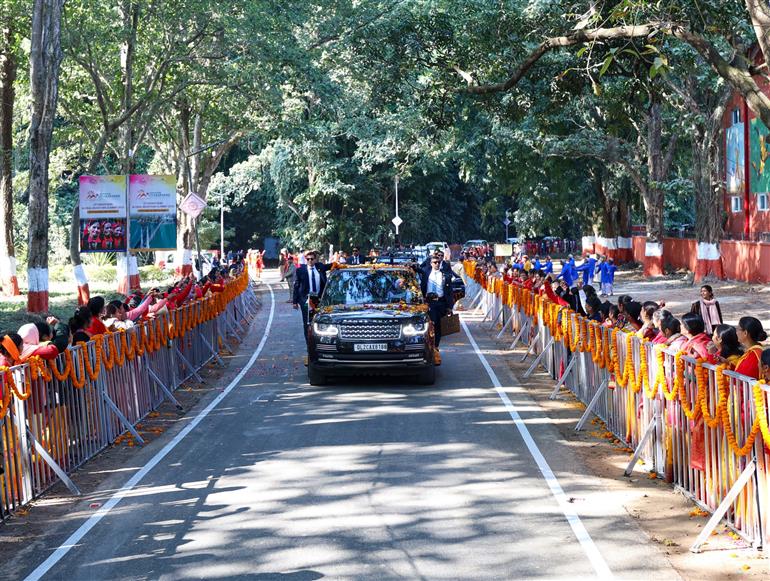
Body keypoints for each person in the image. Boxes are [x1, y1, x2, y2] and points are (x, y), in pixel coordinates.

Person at [421, 254, 452, 366]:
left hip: (441, 302)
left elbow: (449, 291)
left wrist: (449, 307)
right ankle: (430, 346)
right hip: (429, 303)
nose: (437, 264)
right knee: (431, 324)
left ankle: (436, 347)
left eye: (438, 262)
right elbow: (418, 269)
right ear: (430, 263)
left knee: (438, 326)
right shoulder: (426, 273)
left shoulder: (445, 275)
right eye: (434, 262)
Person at [293, 250, 326, 332]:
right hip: (306, 299)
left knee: (318, 321)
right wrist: (295, 301)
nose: (310, 261)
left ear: (315, 259)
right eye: (308, 259)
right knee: (307, 322)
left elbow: (332, 265)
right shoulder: (300, 270)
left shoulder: (320, 267)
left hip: (318, 298)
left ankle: (316, 339)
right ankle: (308, 341)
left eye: (312, 259)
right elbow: (296, 286)